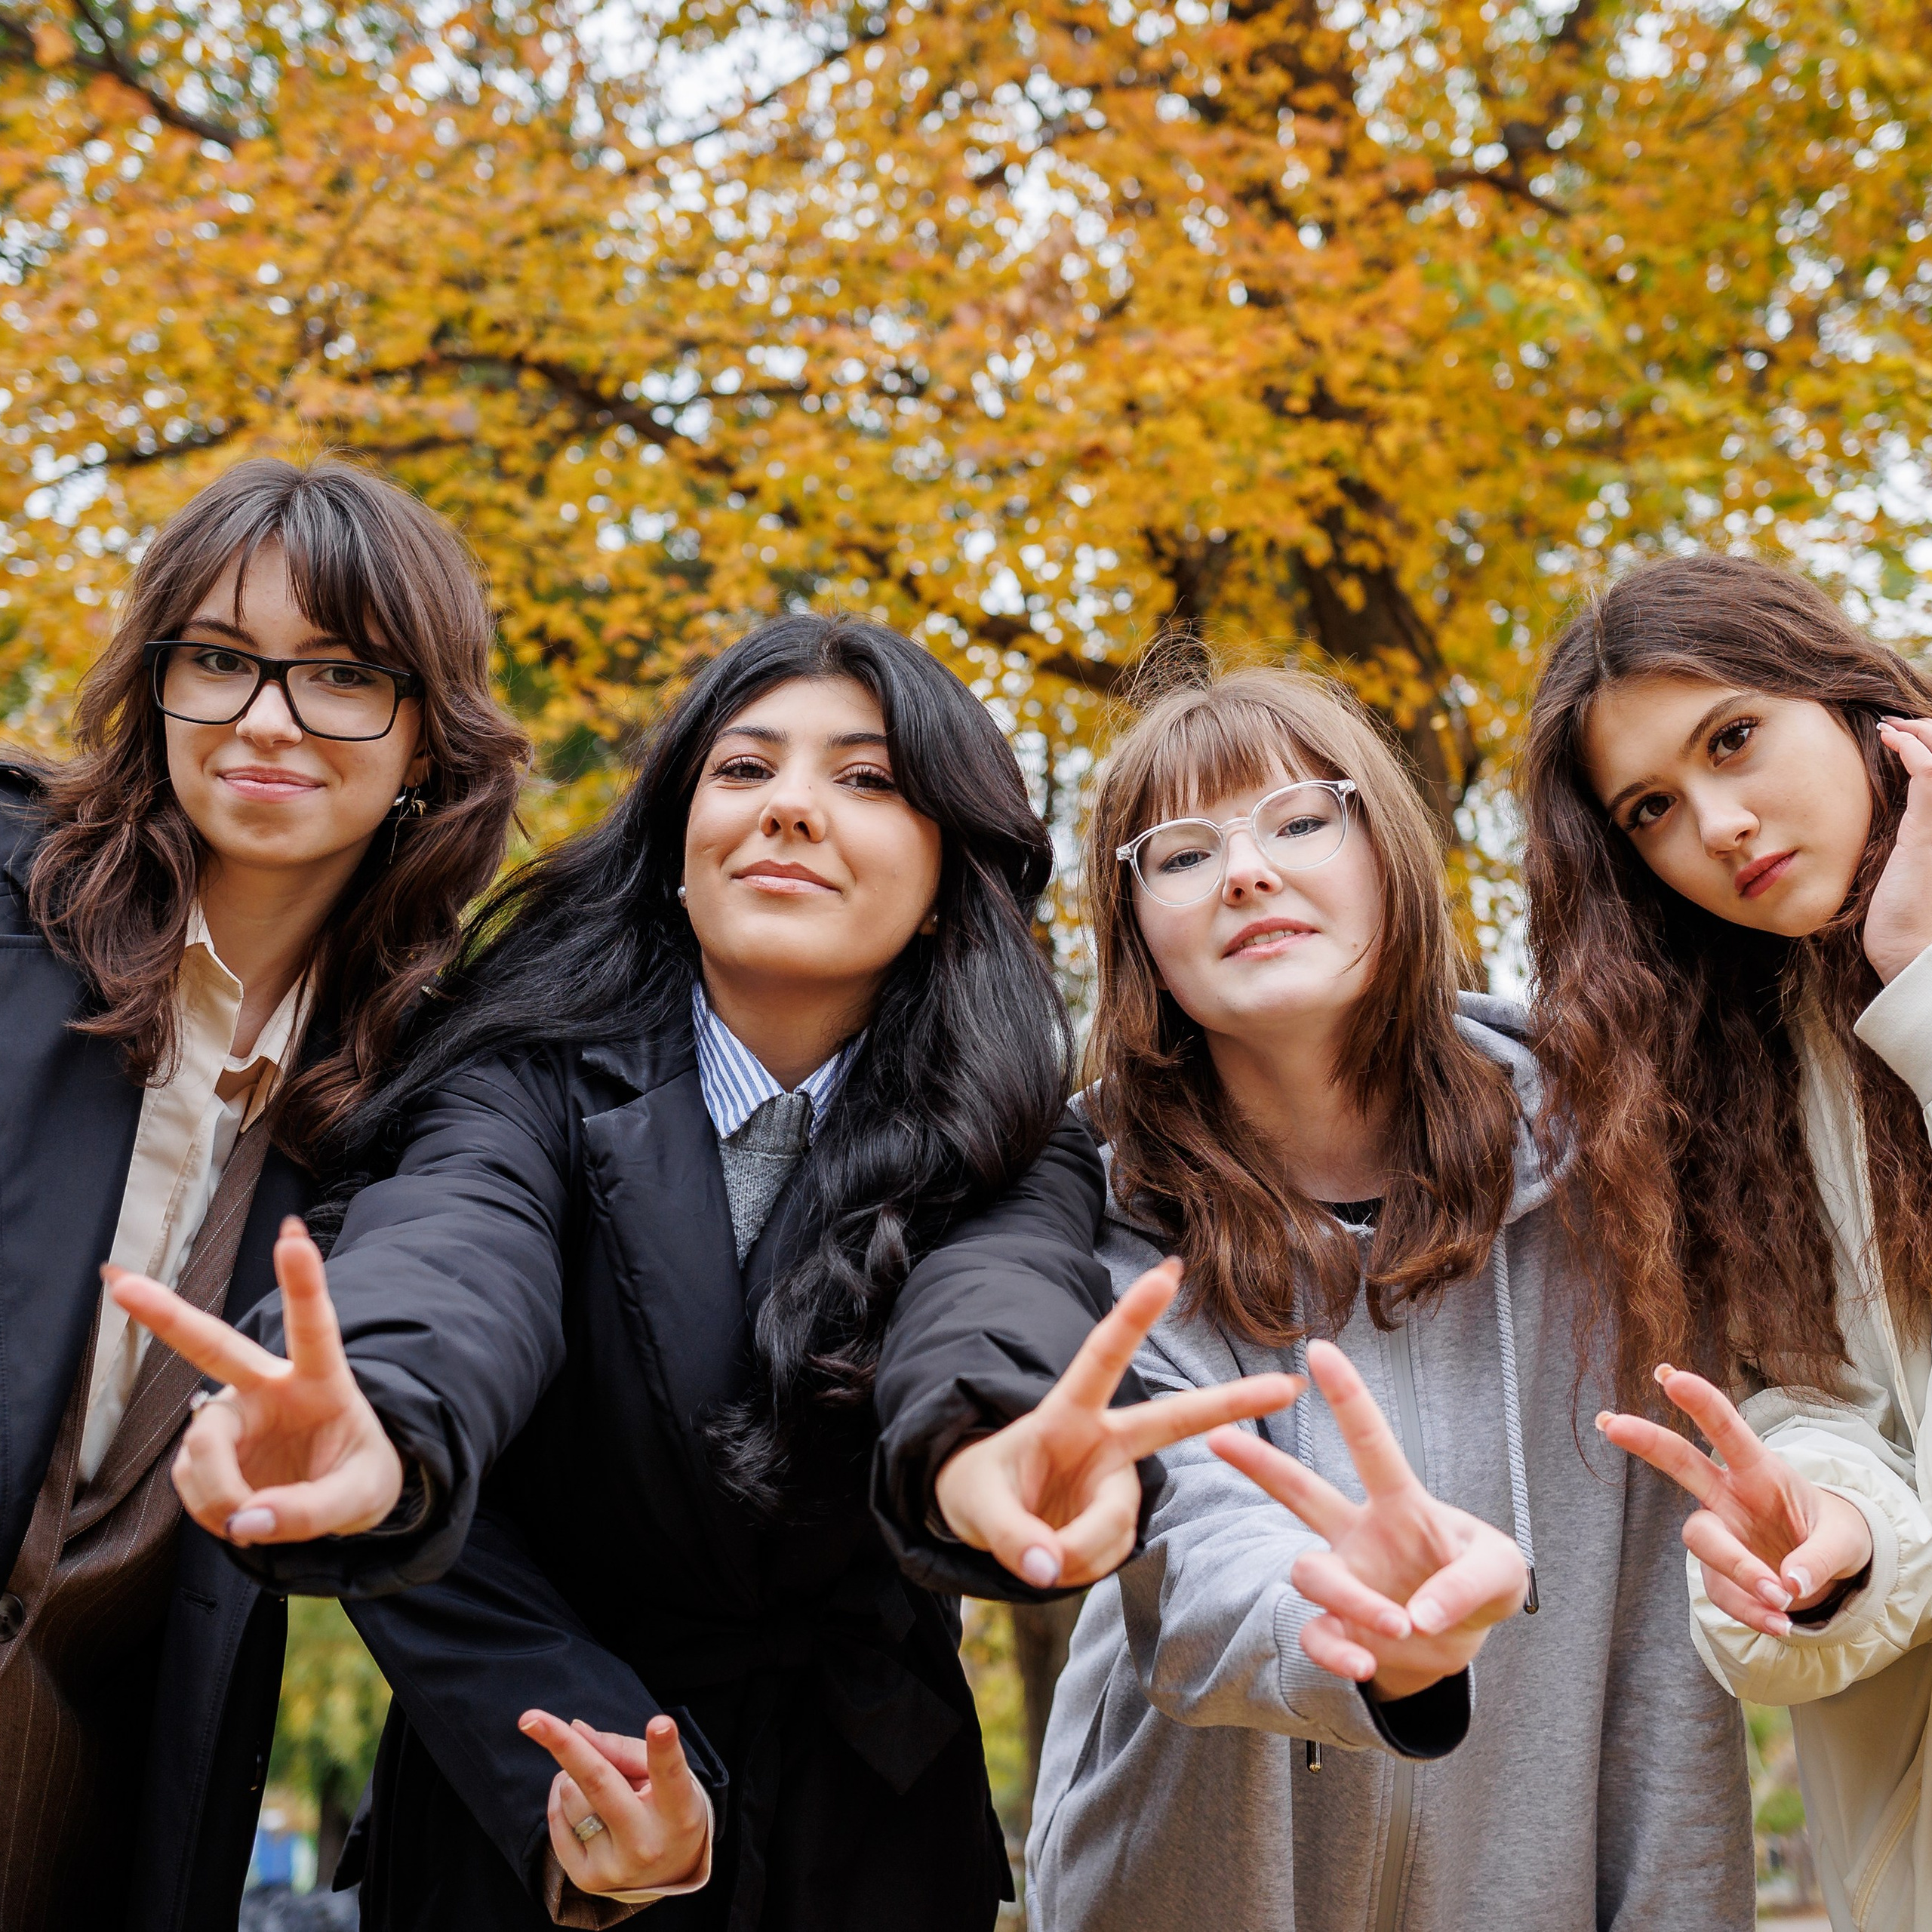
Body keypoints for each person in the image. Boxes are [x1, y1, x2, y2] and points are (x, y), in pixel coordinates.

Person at [112, 613, 1294, 1930]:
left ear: (949, 876)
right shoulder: (518, 1081)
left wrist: (992, 1446)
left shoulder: (1011, 1141)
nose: (790, 808)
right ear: (675, 843)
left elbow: (992, 1311)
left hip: (876, 1847)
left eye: (866, 779)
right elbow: (454, 1250)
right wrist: (380, 1410)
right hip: (532, 1820)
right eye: (745, 769)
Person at [1002, 666, 1755, 1929]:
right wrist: (1361, 1633)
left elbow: (1665, 1670)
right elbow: (1188, 1563)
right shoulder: (1085, 1215)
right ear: (1138, 935)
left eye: (1300, 821)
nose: (1245, 872)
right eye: (1181, 854)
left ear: (1392, 857)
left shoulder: (1618, 1169)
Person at [0, 454, 528, 1930]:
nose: (268, 718)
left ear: (428, 732)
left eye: (343, 674)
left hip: (80, 1813)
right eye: (219, 660)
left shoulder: (428, 1082)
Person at [1520, 550, 1932, 1930]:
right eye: (1652, 808)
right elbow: (1830, 1401)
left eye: (1734, 738)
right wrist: (1832, 1534)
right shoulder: (1742, 1065)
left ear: (1848, 693)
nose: (1719, 823)